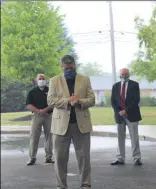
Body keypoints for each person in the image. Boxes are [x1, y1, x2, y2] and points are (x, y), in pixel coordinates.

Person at [47, 55, 96, 189]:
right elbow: (50, 100)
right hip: (60, 126)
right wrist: (68, 101)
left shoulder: (84, 79)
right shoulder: (54, 81)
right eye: (66, 68)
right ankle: (61, 186)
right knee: (60, 159)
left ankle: (85, 184)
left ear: (75, 65)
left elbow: (92, 99)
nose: (68, 70)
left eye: (71, 68)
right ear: (61, 67)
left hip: (81, 125)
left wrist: (79, 101)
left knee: (84, 158)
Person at [110, 68, 143, 166]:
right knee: (120, 137)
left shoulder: (134, 85)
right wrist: (119, 111)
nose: (124, 76)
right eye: (122, 74)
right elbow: (113, 101)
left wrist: (126, 110)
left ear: (129, 74)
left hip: (132, 114)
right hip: (119, 115)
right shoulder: (115, 86)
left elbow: (136, 100)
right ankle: (120, 158)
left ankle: (136, 158)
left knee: (134, 137)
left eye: (126, 74)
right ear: (119, 75)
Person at [26, 74, 54, 166]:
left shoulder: (50, 90)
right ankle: (32, 158)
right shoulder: (32, 92)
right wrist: (38, 111)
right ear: (36, 81)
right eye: (40, 79)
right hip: (37, 116)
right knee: (34, 136)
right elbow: (29, 105)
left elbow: (54, 103)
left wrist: (45, 110)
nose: (42, 80)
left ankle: (49, 157)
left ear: (46, 80)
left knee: (49, 136)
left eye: (43, 79)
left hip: (48, 115)